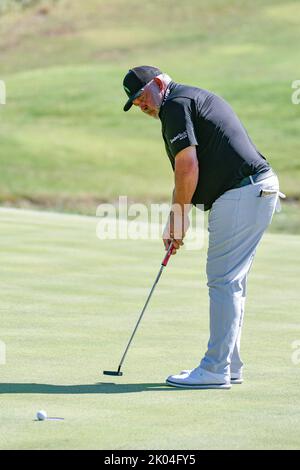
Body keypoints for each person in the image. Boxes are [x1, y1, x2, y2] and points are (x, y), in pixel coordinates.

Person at [122, 65, 285, 389]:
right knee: (232, 283)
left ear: (157, 84)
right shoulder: (188, 98)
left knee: (223, 282)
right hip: (257, 190)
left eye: (142, 98)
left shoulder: (174, 105)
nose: (142, 106)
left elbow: (187, 167)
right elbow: (186, 172)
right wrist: (175, 218)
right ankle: (229, 366)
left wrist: (179, 219)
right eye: (135, 104)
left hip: (243, 193)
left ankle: (214, 369)